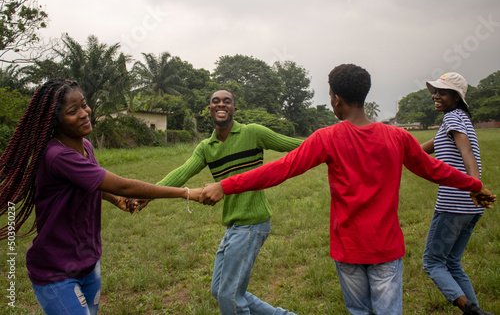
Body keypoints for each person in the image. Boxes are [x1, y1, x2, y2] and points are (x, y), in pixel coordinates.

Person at [200, 65, 496, 315]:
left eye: (330, 96)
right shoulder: (397, 137)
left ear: (337, 99)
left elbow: (278, 170)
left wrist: (225, 185)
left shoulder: (327, 137)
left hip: (349, 250)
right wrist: (474, 185)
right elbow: (434, 169)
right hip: (386, 250)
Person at [0, 79, 202, 315]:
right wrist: (187, 193)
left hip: (87, 261)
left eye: (84, 105)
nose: (84, 114)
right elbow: (125, 186)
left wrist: (115, 200)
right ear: (54, 121)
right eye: (72, 111)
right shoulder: (57, 156)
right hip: (56, 272)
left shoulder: (85, 145)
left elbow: (91, 183)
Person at [156, 89, 302, 314]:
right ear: (209, 110)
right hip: (233, 226)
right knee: (219, 290)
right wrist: (148, 193)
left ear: (234, 109)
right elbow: (182, 173)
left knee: (229, 295)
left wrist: (331, 145)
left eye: (227, 102)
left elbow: (296, 145)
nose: (221, 105)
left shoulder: (253, 133)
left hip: (253, 222)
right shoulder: (207, 147)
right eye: (215, 102)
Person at [420, 73, 495, 315]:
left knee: (433, 262)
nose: (436, 96)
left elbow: (467, 153)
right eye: (435, 91)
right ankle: (477, 312)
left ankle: (468, 308)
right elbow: (418, 151)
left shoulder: (453, 119)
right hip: (472, 207)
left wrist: (475, 185)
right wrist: (392, 151)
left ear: (456, 97)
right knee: (452, 262)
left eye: (442, 92)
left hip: (454, 203)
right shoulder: (456, 120)